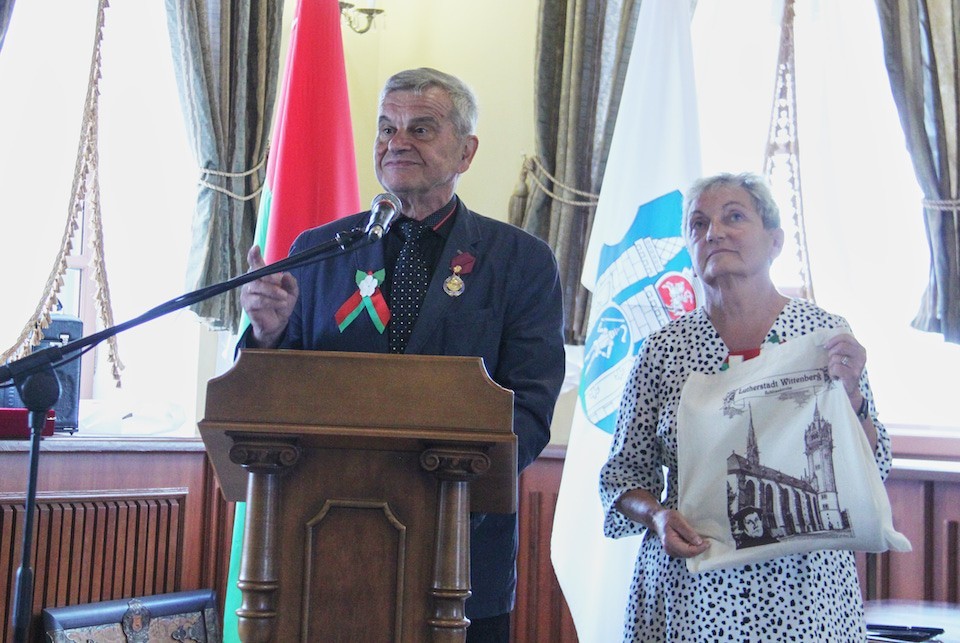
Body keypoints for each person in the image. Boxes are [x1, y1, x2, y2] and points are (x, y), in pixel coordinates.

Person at [239, 67, 565, 642]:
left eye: (421, 128)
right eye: (387, 128)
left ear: (466, 152)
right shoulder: (320, 251)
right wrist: (267, 334)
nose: (397, 142)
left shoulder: (520, 261)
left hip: (460, 548)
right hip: (324, 540)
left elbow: (530, 410)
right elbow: (273, 397)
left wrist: (435, 485)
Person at [598, 172, 889, 642]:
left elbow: (874, 463)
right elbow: (623, 475)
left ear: (775, 241)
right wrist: (656, 516)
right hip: (690, 589)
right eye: (698, 224)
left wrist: (853, 397)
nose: (713, 232)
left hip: (804, 594)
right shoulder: (662, 350)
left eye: (734, 217)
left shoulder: (823, 335)